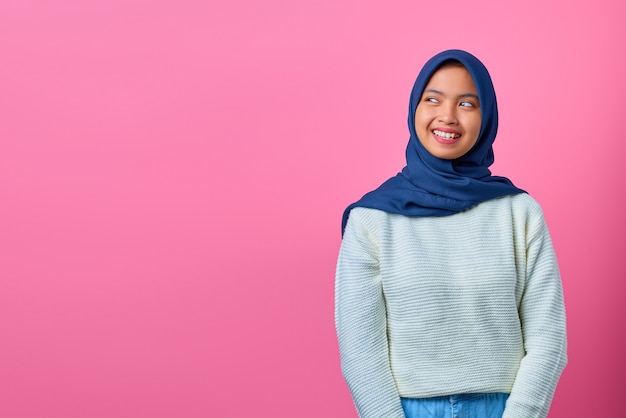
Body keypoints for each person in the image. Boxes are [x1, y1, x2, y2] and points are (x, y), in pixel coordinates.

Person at [334, 49, 567, 418]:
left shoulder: (519, 212)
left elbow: (548, 340)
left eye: (467, 104)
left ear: (487, 115)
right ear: (415, 109)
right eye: (433, 99)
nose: (448, 116)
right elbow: (361, 351)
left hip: (505, 409)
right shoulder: (372, 219)